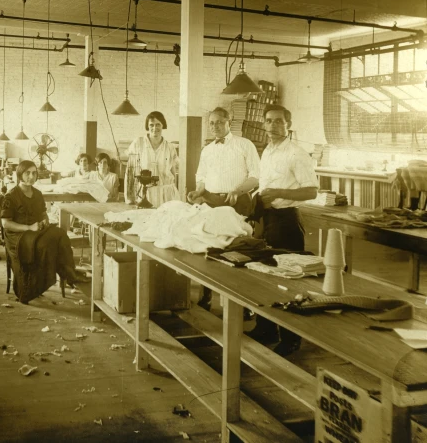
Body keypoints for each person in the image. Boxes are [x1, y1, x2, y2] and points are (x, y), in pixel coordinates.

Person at [248, 104, 318, 357]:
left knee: (288, 281)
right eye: (269, 121)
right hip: (267, 220)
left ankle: (291, 338)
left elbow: (311, 191)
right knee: (263, 274)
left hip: (287, 222)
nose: (273, 125)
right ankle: (266, 328)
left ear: (288, 125)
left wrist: (278, 193)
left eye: (279, 121)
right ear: (263, 124)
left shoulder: (297, 153)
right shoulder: (267, 151)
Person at [187, 107, 260, 311]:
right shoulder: (207, 149)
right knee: (209, 247)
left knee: (237, 250)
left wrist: (237, 190)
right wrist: (197, 191)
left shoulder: (245, 145)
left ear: (229, 121)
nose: (215, 126)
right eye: (211, 123)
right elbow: (201, 177)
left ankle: (243, 304)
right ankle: (206, 294)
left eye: (219, 122)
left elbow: (256, 176)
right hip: (211, 201)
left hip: (238, 202)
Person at [1, 160, 84, 304]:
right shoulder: (11, 195)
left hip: (35, 230)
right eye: (27, 173)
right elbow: (5, 223)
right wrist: (28, 228)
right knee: (44, 245)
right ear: (20, 174)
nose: (31, 177)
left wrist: (44, 220)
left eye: (34, 173)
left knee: (60, 234)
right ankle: (34, 287)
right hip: (17, 235)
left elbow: (43, 214)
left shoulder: (38, 194)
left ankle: (70, 274)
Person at [127, 111, 179, 206]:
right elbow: (130, 171)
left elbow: (173, 173)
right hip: (145, 194)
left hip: (166, 194)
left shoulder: (170, 147)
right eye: (151, 125)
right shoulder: (138, 143)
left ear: (163, 125)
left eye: (158, 124)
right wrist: (129, 197)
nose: (154, 128)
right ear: (147, 126)